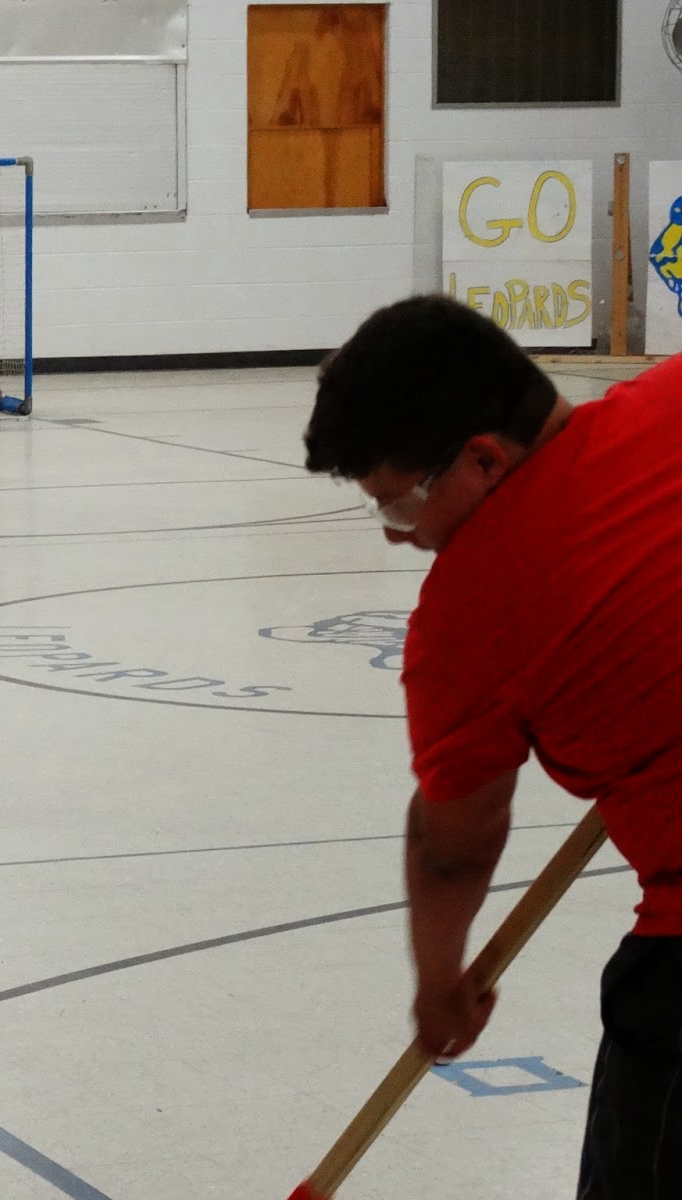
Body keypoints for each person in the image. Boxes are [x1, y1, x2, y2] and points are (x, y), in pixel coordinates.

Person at [301, 292, 682, 1196]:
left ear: (482, 460)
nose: (401, 538)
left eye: (400, 505)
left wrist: (440, 986)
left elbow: (451, 848)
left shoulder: (471, 616)